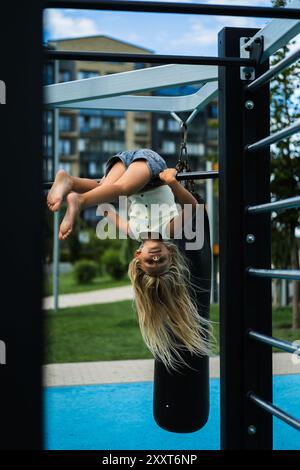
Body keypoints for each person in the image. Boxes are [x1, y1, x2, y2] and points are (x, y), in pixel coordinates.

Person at [47, 148, 213, 371]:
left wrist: (104, 210)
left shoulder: (133, 232)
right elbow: (193, 207)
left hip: (125, 166)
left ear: (138, 256)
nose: (155, 259)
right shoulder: (169, 230)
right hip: (151, 168)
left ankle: (71, 184)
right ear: (170, 254)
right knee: (117, 191)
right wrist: (172, 182)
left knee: (107, 190)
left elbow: (107, 211)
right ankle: (76, 195)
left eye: (150, 263)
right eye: (160, 261)